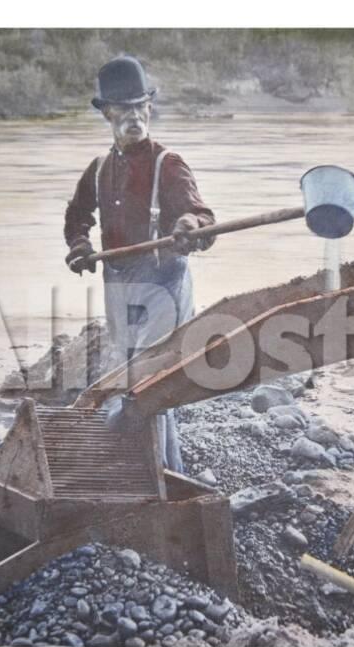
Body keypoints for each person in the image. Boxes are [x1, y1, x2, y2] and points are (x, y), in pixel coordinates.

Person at [63, 55, 216, 473]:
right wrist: (79, 245)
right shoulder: (98, 170)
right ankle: (154, 467)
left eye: (140, 107)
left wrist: (188, 226)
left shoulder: (169, 164)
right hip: (119, 285)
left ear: (149, 108)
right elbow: (77, 215)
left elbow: (203, 218)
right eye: (124, 109)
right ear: (108, 114)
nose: (134, 117)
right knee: (136, 375)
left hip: (164, 284)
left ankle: (167, 476)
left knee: (153, 383)